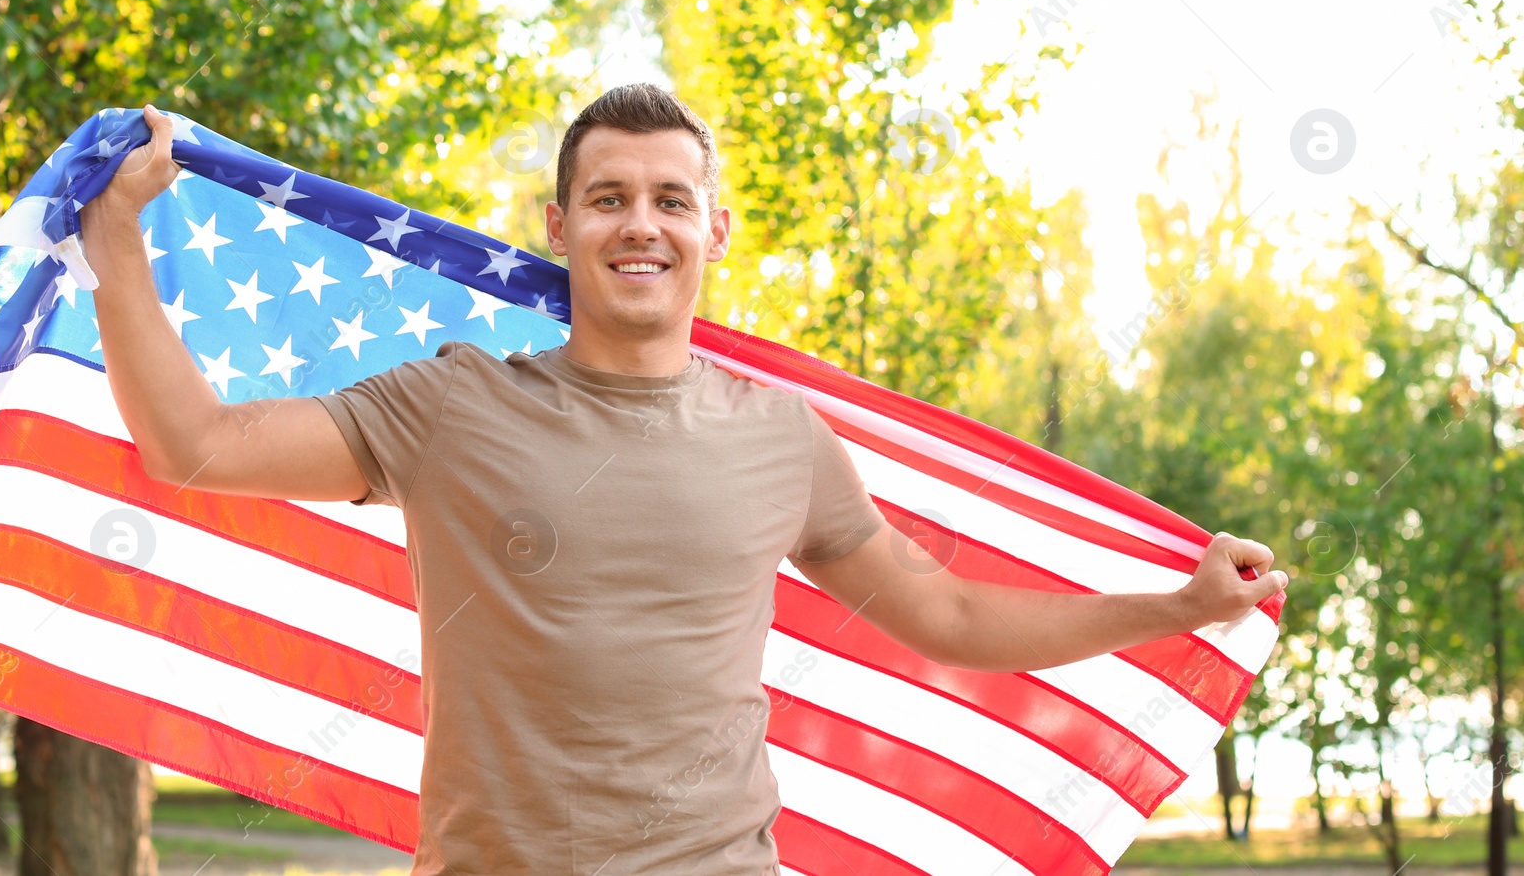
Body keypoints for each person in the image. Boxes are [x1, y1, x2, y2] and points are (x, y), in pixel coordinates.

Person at [81, 85, 1286, 876]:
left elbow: (953, 616)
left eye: (669, 199)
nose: (638, 223)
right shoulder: (452, 403)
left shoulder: (781, 437)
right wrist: (118, 242)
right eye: (607, 198)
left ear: (717, 228)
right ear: (559, 223)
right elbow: (197, 444)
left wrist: (1176, 606)